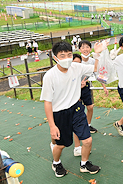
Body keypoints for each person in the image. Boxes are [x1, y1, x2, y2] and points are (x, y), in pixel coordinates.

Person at [41, 41, 107, 177]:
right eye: (62, 55)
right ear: (55, 58)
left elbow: (95, 69)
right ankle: (56, 162)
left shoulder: (76, 67)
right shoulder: (50, 76)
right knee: (61, 145)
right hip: (59, 113)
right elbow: (47, 102)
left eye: (69, 54)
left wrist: (98, 54)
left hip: (76, 109)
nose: (67, 58)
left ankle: (84, 164)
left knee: (87, 140)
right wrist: (52, 126)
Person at [78, 40, 108, 134]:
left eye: (87, 47)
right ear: (79, 49)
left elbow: (97, 73)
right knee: (78, 108)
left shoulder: (92, 61)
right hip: (75, 87)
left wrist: (104, 87)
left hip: (86, 86)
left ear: (90, 49)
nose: (85, 49)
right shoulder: (77, 61)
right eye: (83, 47)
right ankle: (78, 126)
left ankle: (88, 125)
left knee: (90, 107)